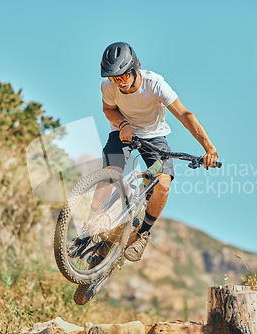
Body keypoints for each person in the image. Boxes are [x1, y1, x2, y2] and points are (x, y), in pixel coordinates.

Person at [100, 42, 219, 262]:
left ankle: (143, 233)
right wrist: (123, 124)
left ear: (135, 68)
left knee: (163, 183)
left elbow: (185, 115)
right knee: (108, 173)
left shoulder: (155, 84)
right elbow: (109, 109)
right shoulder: (109, 87)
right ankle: (93, 223)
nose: (119, 83)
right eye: (114, 78)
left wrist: (209, 149)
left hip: (153, 135)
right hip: (122, 131)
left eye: (123, 76)